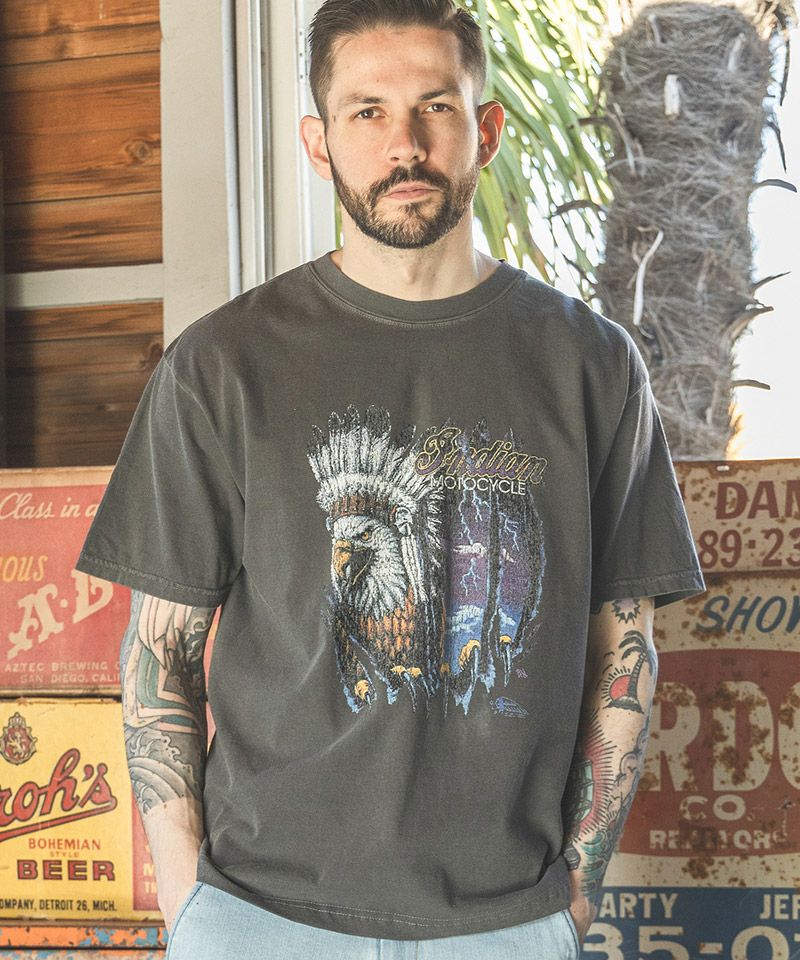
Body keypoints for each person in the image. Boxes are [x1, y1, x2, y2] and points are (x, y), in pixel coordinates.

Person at [74, 1, 706, 957]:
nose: (404, 144)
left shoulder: (591, 363)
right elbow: (161, 649)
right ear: (318, 143)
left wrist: (575, 888)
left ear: (485, 129)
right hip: (256, 916)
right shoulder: (222, 364)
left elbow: (623, 643)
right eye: (367, 111)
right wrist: (187, 897)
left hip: (508, 921)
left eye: (434, 107)